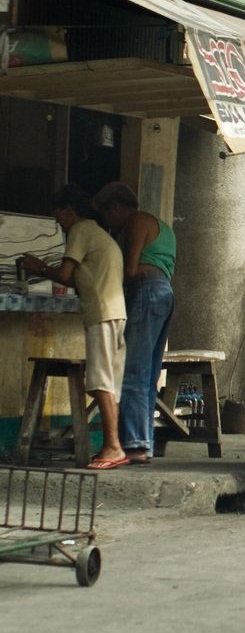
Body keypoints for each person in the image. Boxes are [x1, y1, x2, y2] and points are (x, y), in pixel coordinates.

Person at [20, 184, 129, 469]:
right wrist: (42, 269)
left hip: (101, 314)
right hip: (114, 313)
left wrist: (41, 268)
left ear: (69, 211)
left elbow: (65, 273)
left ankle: (113, 447)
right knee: (108, 383)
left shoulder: (80, 230)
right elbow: (75, 279)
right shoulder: (98, 233)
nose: (60, 227)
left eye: (59, 219)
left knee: (100, 382)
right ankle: (113, 446)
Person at [94, 182, 176, 465]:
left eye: (106, 216)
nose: (107, 223)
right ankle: (143, 443)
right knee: (148, 374)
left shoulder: (138, 221)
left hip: (146, 291)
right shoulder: (161, 226)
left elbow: (129, 271)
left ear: (114, 207)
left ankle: (135, 444)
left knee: (133, 371)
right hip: (162, 291)